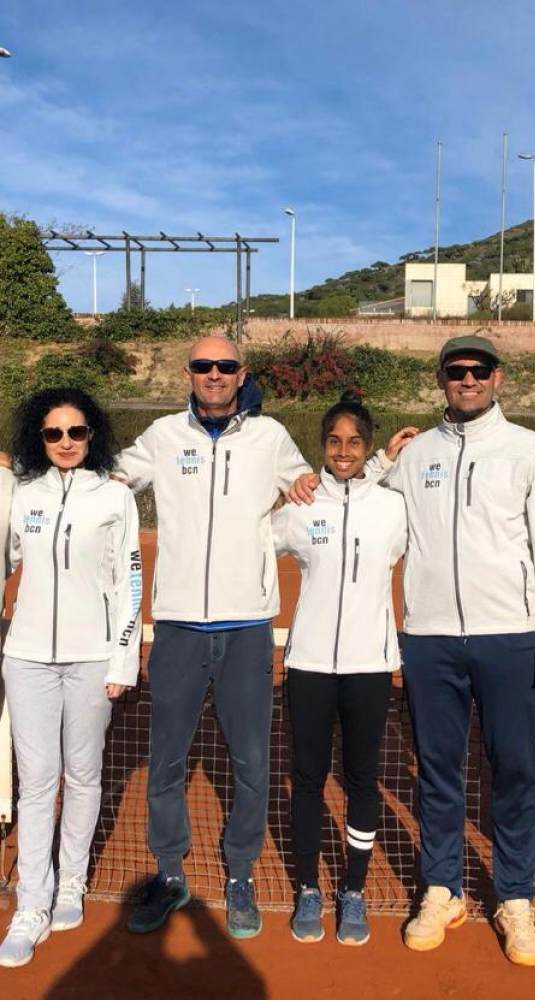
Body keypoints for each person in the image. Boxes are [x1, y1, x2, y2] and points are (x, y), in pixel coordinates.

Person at [370, 334, 535, 966]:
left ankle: (515, 897)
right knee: (437, 771)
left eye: (478, 370)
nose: (467, 379)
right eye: (456, 371)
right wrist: (383, 464)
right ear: (441, 380)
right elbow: (381, 522)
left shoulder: (530, 451)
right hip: (430, 638)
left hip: (510, 637)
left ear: (498, 377)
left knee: (513, 770)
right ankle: (443, 888)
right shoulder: (418, 455)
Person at [118, 335, 313, 939]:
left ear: (240, 373)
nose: (214, 374)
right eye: (203, 366)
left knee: (252, 762)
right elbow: (108, 477)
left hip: (248, 627)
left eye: (225, 366)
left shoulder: (270, 437)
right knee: (166, 761)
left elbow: (318, 482)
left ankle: (239, 877)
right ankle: (171, 874)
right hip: (177, 625)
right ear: (189, 373)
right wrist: (26, 473)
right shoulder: (161, 436)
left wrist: (379, 467)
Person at [0, 388, 141, 968]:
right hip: (27, 657)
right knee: (36, 783)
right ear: (39, 436)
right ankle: (31, 903)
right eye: (53, 433)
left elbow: (130, 582)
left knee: (82, 777)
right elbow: (5, 558)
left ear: (92, 436)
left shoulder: (113, 497)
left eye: (75, 433)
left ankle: (70, 884)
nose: (64, 443)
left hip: (91, 658)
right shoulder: (20, 493)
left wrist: (121, 662)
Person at [273, 392, 408, 947]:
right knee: (305, 780)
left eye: (354, 442)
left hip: (370, 667)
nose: (344, 450)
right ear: (322, 446)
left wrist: (383, 468)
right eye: (334, 441)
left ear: (368, 446)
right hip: (307, 665)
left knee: (360, 780)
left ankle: (352, 889)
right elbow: (255, 547)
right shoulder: (299, 509)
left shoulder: (394, 506)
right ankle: (308, 885)